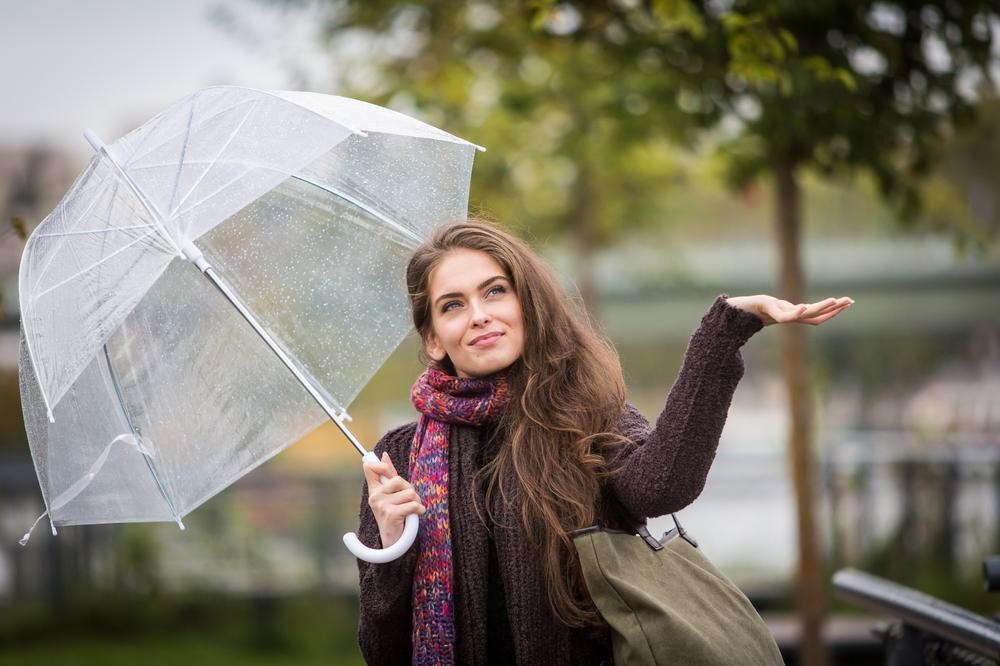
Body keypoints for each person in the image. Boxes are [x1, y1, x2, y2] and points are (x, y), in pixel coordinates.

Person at [355, 220, 852, 665]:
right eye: (453, 305)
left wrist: (723, 332)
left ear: (527, 304)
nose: (479, 315)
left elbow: (661, 487)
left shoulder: (583, 412)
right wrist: (392, 548)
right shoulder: (401, 459)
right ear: (433, 339)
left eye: (495, 291)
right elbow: (381, 652)